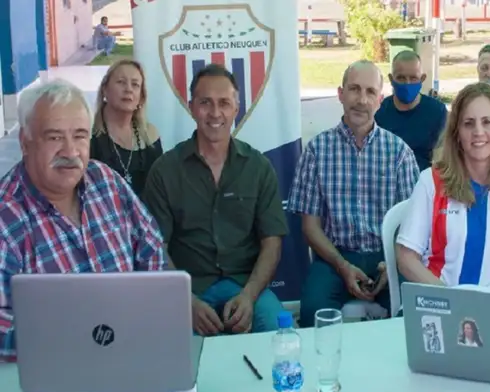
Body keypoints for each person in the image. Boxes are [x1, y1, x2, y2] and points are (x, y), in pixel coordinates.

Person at [0, 79, 167, 362]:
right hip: (56, 368)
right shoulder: (6, 221)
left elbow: (151, 249)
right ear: (25, 143)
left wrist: (142, 317)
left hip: (132, 349)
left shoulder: (106, 181)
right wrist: (82, 339)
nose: (70, 152)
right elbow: (3, 335)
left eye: (79, 136)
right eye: (54, 138)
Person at [143, 64, 288, 336]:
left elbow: (272, 242)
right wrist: (186, 302)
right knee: (175, 351)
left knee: (278, 338)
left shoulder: (258, 167)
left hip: (246, 286)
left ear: (236, 109)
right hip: (190, 290)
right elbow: (155, 248)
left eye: (224, 103)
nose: (215, 113)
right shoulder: (165, 171)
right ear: (191, 107)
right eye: (205, 103)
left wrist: (249, 296)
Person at [287, 60, 419, 328]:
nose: (362, 100)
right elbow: (310, 228)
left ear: (380, 100)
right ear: (340, 94)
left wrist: (390, 264)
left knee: (413, 309)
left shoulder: (399, 153)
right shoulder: (317, 151)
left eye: (370, 92)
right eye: (354, 89)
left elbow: (413, 224)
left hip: (387, 256)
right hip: (335, 256)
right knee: (312, 310)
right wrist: (342, 266)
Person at [395, 83, 490, 291]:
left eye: (487, 122)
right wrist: (451, 300)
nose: (478, 132)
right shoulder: (431, 182)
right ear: (456, 132)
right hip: (440, 301)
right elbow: (406, 257)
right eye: (468, 123)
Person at [91, 59, 163, 196]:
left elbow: (159, 189)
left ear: (141, 97)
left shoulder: (150, 135)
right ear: (105, 90)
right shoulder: (88, 133)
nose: (128, 89)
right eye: (121, 82)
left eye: (135, 84)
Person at [375, 50, 448, 171]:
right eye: (401, 78)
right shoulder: (379, 111)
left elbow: (442, 157)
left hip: (424, 178)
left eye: (413, 78)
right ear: (391, 79)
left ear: (422, 79)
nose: (407, 83)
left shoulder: (437, 112)